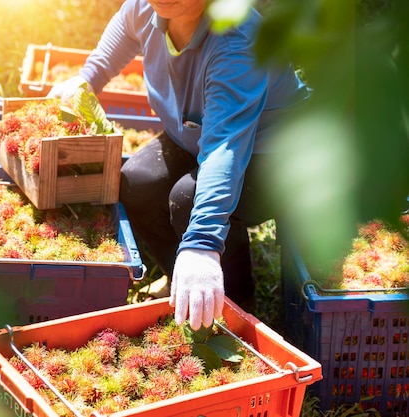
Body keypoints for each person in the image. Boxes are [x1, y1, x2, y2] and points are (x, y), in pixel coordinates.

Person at [48, 0, 309, 330]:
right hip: (197, 133)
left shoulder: (237, 42)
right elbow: (126, 28)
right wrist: (88, 78)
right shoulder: (149, 7)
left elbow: (224, 149)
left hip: (273, 155)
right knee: (137, 181)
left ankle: (236, 304)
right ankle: (183, 281)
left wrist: (203, 243)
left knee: (188, 200)